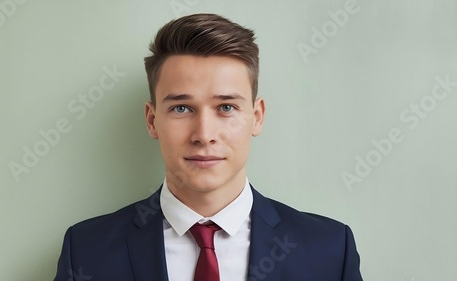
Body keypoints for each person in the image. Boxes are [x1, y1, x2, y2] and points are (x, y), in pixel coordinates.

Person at [53, 13, 363, 281]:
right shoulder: (86, 251)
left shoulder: (329, 249)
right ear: (152, 120)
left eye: (226, 107)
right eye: (182, 108)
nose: (204, 135)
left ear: (256, 118)